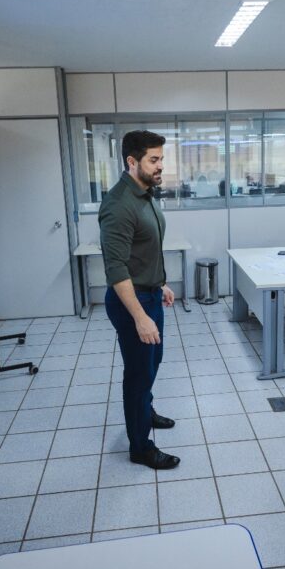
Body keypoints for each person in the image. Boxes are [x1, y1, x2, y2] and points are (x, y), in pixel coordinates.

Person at [98, 130, 179, 470]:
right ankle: (140, 447)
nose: (161, 166)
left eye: (161, 159)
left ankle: (145, 410)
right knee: (138, 374)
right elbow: (116, 268)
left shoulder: (145, 194)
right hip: (132, 303)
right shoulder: (119, 205)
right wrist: (139, 317)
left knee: (152, 362)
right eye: (154, 159)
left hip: (150, 294)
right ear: (132, 161)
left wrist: (160, 283)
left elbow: (144, 249)